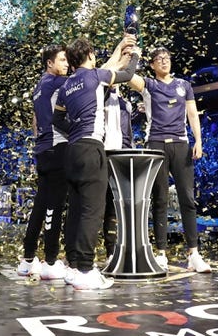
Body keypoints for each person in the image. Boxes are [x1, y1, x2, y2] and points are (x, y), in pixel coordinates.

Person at [53, 34, 139, 290]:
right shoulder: (94, 77)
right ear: (90, 55)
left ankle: (73, 266)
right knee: (93, 211)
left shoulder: (66, 86)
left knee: (77, 211)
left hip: (72, 151)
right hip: (92, 149)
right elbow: (126, 74)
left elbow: (57, 120)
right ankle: (86, 270)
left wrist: (76, 129)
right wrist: (134, 56)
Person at [127, 46, 211, 273]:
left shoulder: (184, 85)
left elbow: (192, 114)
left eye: (167, 58)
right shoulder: (149, 85)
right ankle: (161, 253)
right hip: (156, 144)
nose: (164, 61)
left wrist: (199, 140)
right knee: (160, 199)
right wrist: (133, 54)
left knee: (187, 198)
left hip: (181, 145)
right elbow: (126, 74)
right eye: (159, 59)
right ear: (152, 65)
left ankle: (194, 253)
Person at [16, 44, 70, 281]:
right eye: (62, 60)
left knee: (41, 205)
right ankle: (50, 261)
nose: (67, 65)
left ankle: (28, 259)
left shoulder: (39, 86)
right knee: (54, 206)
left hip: (42, 149)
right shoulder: (57, 83)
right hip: (56, 148)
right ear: (50, 63)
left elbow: (35, 122)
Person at [101, 83, 134, 261]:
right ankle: (109, 250)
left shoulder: (124, 101)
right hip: (107, 154)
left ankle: (121, 249)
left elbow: (125, 129)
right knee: (105, 205)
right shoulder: (102, 96)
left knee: (120, 206)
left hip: (126, 155)